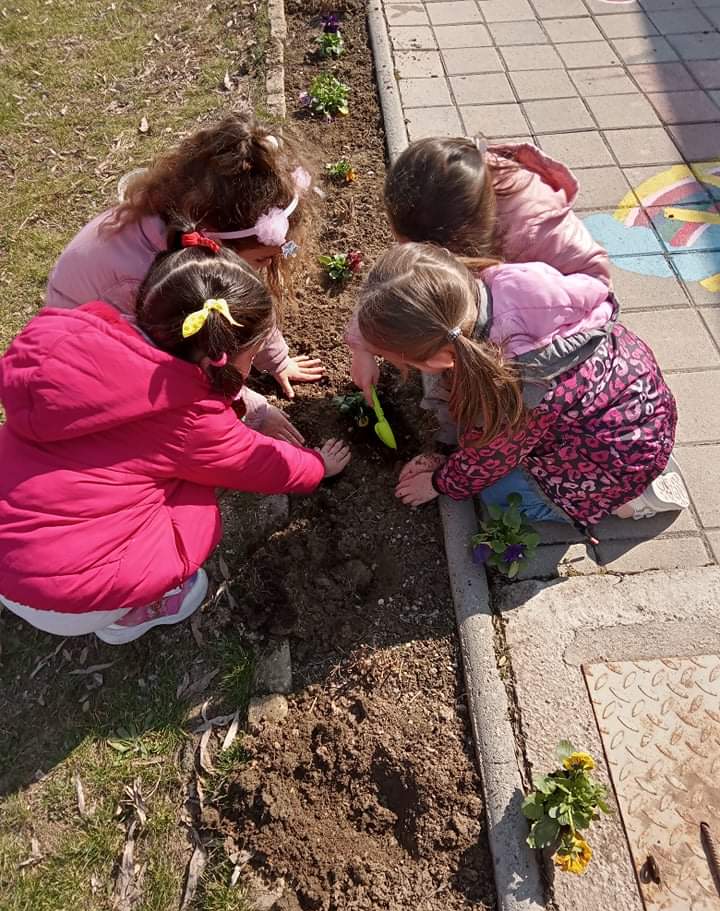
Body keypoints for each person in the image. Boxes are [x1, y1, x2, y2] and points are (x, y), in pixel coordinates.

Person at [0, 245, 350, 644]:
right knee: (198, 499)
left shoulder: (85, 342)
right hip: (69, 597)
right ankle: (132, 613)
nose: (252, 368)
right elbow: (258, 463)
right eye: (252, 358)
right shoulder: (187, 418)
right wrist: (317, 466)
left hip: (12, 545)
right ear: (215, 361)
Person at [354, 243, 688, 533]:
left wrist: (439, 481)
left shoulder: (511, 392)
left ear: (440, 357)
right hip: (634, 400)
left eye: (408, 364)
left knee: (499, 495)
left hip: (619, 460)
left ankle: (633, 501)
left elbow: (487, 460)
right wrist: (362, 348)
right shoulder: (496, 286)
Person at [46, 110, 324, 444]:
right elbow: (188, 371)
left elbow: (251, 304)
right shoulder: (153, 283)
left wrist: (278, 361)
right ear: (216, 244)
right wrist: (255, 411)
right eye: (262, 260)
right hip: (85, 361)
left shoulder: (188, 229)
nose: (266, 268)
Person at [348, 135, 611, 401]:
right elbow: (398, 281)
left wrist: (520, 355)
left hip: (551, 336)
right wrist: (363, 346)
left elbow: (597, 287)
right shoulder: (435, 201)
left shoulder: (536, 230)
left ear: (457, 245)